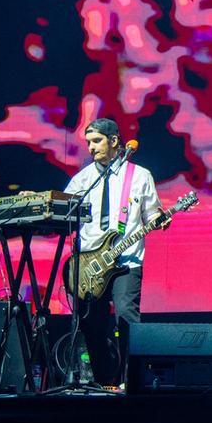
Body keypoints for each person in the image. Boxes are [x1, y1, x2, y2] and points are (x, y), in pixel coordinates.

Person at [63, 118, 167, 388]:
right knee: (92, 325)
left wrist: (160, 219)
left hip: (127, 260)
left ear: (114, 141)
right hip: (90, 264)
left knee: (127, 318)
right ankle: (104, 380)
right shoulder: (82, 180)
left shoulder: (140, 176)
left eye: (96, 141)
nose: (91, 147)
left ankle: (131, 382)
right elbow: (63, 214)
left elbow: (152, 214)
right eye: (88, 142)